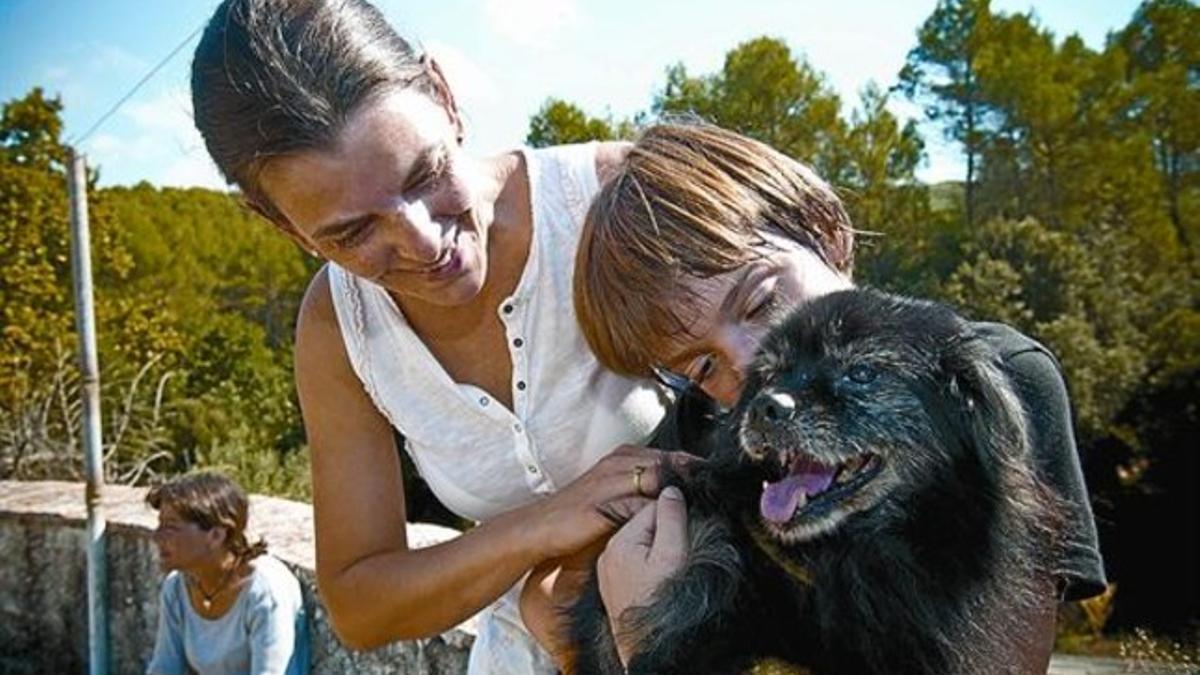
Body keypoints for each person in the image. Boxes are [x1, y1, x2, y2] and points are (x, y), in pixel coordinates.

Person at [190, 1, 670, 672]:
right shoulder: (336, 327)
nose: (423, 242)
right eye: (353, 233)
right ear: (277, 222)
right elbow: (360, 603)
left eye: (426, 173)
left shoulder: (617, 200)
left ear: (443, 95)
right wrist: (540, 525)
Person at [568, 121, 1107, 670]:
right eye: (705, 365)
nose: (754, 367)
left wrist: (644, 640)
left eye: (760, 301)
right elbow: (561, 599)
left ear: (827, 234)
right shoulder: (707, 431)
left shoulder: (998, 377)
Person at [146, 471, 308, 675]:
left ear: (216, 535)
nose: (157, 536)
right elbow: (164, 668)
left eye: (171, 527)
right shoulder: (177, 588)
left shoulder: (265, 592)